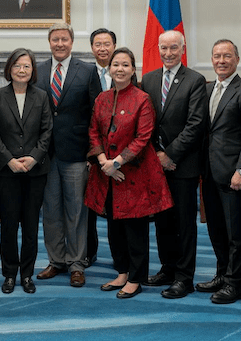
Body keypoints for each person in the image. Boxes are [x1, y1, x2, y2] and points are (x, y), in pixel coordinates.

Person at [85, 48, 172, 299]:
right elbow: (93, 132)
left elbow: (143, 137)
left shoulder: (142, 99)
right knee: (114, 227)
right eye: (116, 65)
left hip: (134, 174)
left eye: (125, 65)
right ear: (109, 69)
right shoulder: (101, 98)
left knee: (135, 228)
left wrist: (118, 162)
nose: (120, 69)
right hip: (107, 174)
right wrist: (104, 162)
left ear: (133, 70)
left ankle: (136, 277)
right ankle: (122, 271)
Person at [140, 30, 207, 299]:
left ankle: (184, 276)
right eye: (164, 48)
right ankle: (167, 268)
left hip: (183, 166)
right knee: (162, 221)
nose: (168, 53)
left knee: (184, 223)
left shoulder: (195, 80)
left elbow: (196, 124)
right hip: (155, 165)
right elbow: (145, 122)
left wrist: (170, 156)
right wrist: (156, 155)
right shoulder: (149, 79)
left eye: (173, 48)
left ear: (183, 49)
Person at [35, 23, 100, 288]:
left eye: (64, 39)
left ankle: (76, 263)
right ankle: (56, 260)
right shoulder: (37, 71)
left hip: (76, 153)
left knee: (76, 212)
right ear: (49, 42)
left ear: (72, 42)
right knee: (50, 211)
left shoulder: (87, 71)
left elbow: (97, 114)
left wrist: (94, 153)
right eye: (55, 39)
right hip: (46, 154)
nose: (59, 44)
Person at [198, 39, 241, 304]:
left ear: (237, 59)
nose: (221, 61)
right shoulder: (207, 88)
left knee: (235, 232)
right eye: (216, 56)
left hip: (234, 175)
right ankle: (222, 274)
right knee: (215, 228)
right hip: (209, 173)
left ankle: (235, 284)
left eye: (227, 56)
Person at [0, 48, 53, 294]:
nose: (22, 70)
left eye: (26, 66)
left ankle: (27, 274)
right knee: (9, 225)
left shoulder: (42, 96)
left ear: (32, 70)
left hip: (35, 172)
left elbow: (47, 131)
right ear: (9, 70)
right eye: (17, 66)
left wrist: (34, 158)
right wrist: (9, 160)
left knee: (32, 226)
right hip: (6, 172)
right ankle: (9, 274)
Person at [84, 27, 117, 267]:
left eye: (107, 44)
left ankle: (120, 255)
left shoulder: (125, 71)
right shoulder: (83, 74)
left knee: (117, 207)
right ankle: (88, 252)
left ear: (114, 46)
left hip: (119, 155)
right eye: (98, 44)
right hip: (92, 152)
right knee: (89, 207)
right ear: (92, 48)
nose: (102, 48)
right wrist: (90, 153)